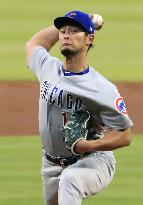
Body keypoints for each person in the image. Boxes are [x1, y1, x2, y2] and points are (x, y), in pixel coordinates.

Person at [25, 10, 133, 205]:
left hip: (93, 160)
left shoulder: (102, 88)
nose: (66, 35)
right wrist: (84, 21)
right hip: (50, 163)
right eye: (63, 31)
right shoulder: (48, 68)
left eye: (74, 31)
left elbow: (124, 135)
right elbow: (35, 44)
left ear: (89, 39)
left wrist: (89, 146)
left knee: (70, 179)